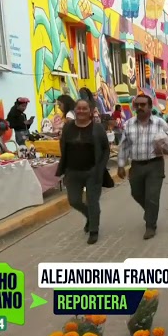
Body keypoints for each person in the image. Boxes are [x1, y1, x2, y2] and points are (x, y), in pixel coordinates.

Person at [117, 94, 168, 240]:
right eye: (137, 105)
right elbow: (124, 146)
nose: (139, 107)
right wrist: (120, 165)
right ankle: (151, 212)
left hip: (155, 165)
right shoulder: (129, 124)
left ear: (150, 107)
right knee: (136, 193)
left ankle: (150, 225)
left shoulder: (159, 123)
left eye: (143, 105)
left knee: (152, 196)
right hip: (136, 165)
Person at [55, 99, 110, 245]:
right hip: (72, 171)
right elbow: (63, 146)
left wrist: (100, 167)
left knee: (92, 201)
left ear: (90, 111)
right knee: (74, 200)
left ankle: (94, 230)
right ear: (75, 110)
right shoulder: (68, 127)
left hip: (92, 171)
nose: (81, 111)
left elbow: (105, 149)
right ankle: (90, 217)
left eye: (84, 108)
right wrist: (65, 166)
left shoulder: (97, 128)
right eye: (78, 108)